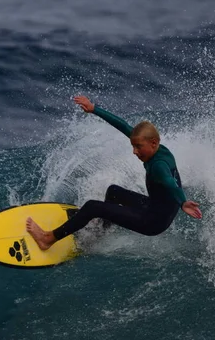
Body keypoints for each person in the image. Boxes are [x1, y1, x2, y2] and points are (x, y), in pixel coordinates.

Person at [26, 96, 202, 250]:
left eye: (138, 147)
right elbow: (123, 125)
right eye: (133, 146)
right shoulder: (157, 148)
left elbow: (170, 182)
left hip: (153, 222)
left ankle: (47, 239)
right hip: (156, 208)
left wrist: (183, 202)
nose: (134, 151)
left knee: (92, 206)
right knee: (113, 192)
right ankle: (101, 230)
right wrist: (94, 109)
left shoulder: (158, 165)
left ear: (154, 143)